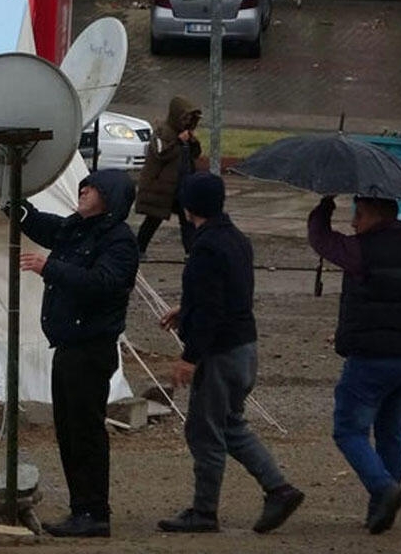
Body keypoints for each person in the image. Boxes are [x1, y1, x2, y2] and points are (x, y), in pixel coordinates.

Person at [157, 171, 304, 534]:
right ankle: (279, 489)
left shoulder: (206, 246)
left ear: (189, 205)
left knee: (205, 432)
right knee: (229, 423)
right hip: (243, 346)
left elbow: (211, 309)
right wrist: (186, 309)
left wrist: (189, 357)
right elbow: (227, 292)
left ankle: (205, 512)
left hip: (220, 352)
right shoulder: (235, 238)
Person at [15, 168, 139, 538]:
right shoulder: (76, 228)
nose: (83, 190)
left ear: (110, 198)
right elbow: (40, 225)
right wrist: (11, 202)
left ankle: (94, 512)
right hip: (68, 347)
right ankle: (80, 508)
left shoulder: (119, 242)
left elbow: (104, 284)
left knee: (85, 432)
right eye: (85, 185)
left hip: (91, 349)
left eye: (93, 188)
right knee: (68, 432)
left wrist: (49, 267)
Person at [308, 195, 401, 534]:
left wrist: (324, 205)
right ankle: (380, 511)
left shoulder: (362, 251)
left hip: (369, 357)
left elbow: (322, 240)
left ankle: (383, 489)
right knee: (391, 434)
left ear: (376, 215)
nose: (353, 223)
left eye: (359, 216)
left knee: (349, 430)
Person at [135, 95, 202, 259]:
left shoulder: (185, 136)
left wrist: (192, 142)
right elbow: (161, 154)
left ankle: (191, 251)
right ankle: (138, 249)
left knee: (187, 220)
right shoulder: (163, 132)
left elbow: (195, 155)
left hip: (181, 185)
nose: (187, 121)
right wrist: (178, 142)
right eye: (184, 117)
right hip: (163, 187)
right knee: (153, 218)